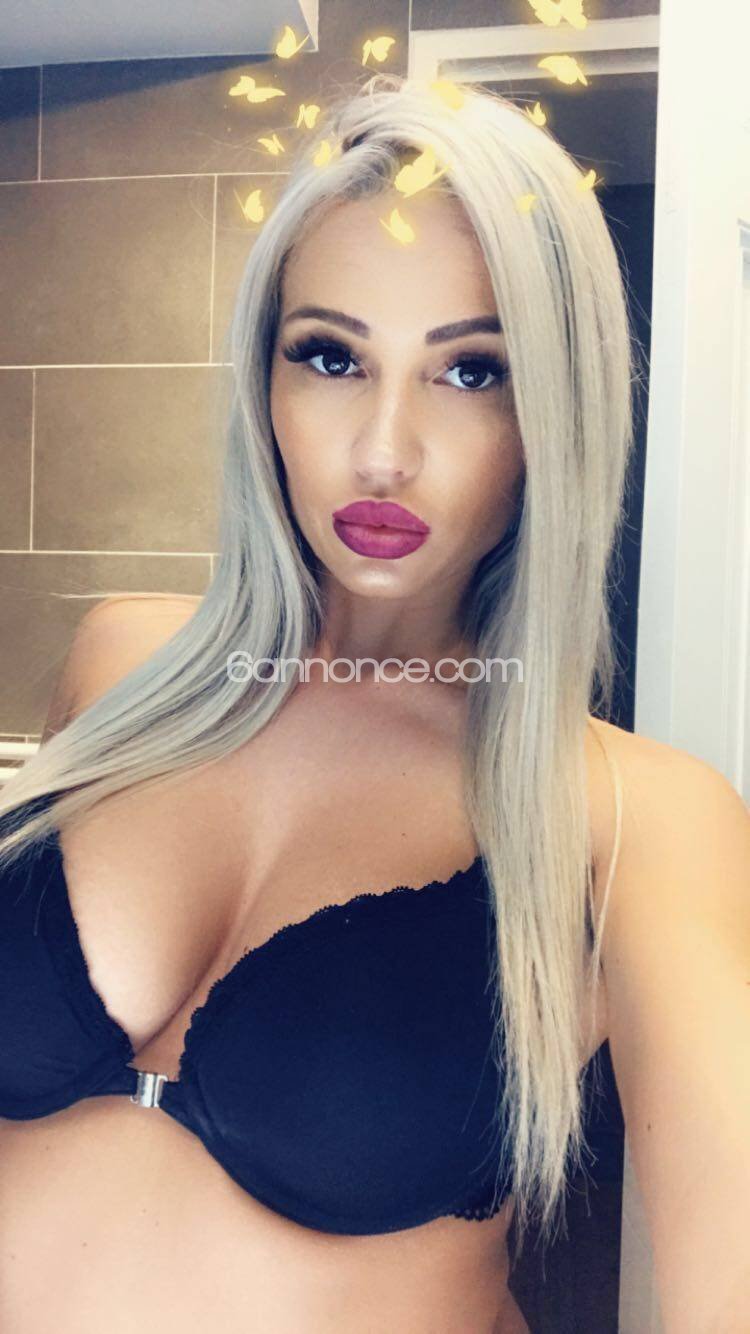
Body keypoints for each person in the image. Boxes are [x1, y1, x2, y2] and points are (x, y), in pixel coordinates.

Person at [0, 73, 747, 1334]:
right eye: (332, 355)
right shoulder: (124, 664)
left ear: (554, 413)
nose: (384, 448)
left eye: (472, 370)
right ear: (265, 380)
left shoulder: (635, 819)